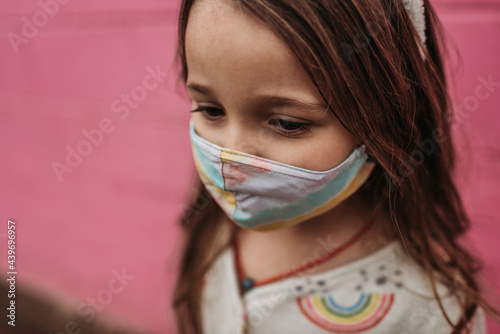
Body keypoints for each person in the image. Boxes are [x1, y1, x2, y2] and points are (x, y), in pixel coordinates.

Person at [171, 0, 500, 333]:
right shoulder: (212, 226)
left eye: (286, 123)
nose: (231, 154)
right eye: (211, 111)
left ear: (384, 118)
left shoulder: (431, 309)